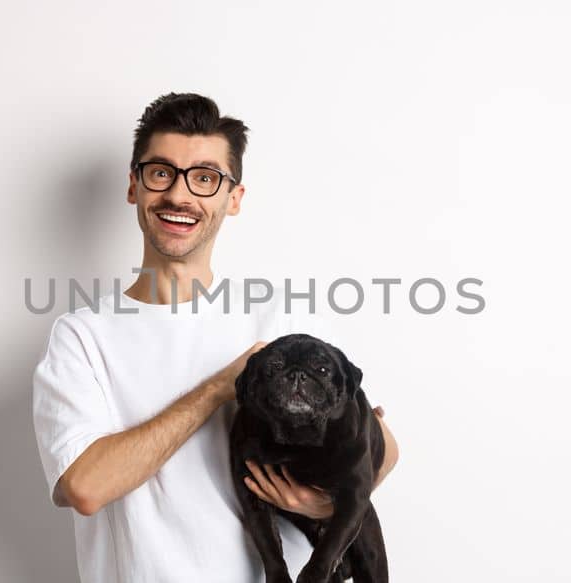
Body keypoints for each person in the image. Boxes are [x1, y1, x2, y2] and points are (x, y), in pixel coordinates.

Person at [30, 92, 400, 582]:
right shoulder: (83, 338)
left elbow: (384, 449)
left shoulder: (281, 319)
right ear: (134, 187)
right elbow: (85, 486)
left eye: (205, 179)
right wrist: (220, 386)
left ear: (234, 198)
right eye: (161, 172)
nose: (180, 196)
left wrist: (323, 504)